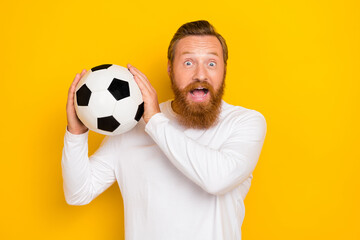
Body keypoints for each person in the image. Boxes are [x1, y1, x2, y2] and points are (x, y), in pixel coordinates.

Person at [62, 20, 267, 240]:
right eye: (188, 63)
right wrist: (76, 134)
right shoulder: (131, 126)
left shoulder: (245, 123)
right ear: (170, 69)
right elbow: (78, 193)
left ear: (224, 69)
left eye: (211, 63)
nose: (200, 74)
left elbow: (216, 180)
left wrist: (154, 121)